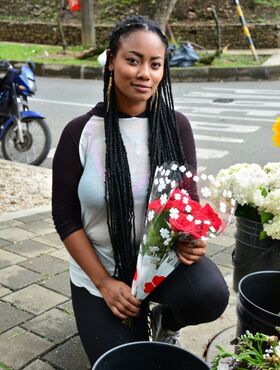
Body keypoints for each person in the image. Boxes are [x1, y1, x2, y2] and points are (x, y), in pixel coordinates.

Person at [52, 15, 229, 367]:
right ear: (112, 60)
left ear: (164, 70)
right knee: (129, 362)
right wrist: (103, 283)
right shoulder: (80, 133)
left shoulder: (176, 126)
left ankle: (167, 321)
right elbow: (65, 217)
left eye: (155, 64)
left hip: (160, 265)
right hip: (102, 270)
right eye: (133, 60)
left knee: (210, 294)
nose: (144, 73)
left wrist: (190, 239)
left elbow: (186, 204)